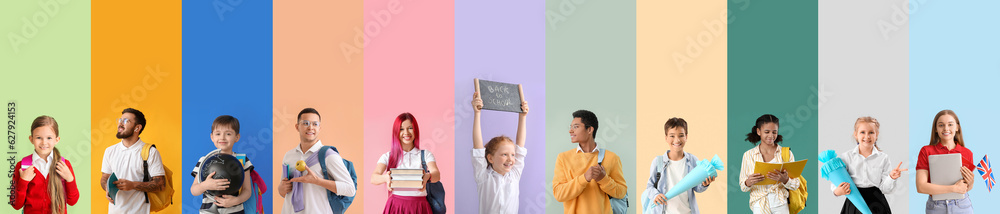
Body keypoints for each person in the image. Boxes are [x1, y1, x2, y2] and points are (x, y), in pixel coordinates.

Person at [279, 108, 357, 214]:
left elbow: (350, 189)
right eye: (305, 123)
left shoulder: (329, 155)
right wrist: (281, 188)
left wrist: (317, 181)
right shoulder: (289, 156)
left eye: (315, 124)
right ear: (297, 127)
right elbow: (283, 191)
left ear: (319, 128)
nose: (310, 127)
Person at [552, 110, 628, 213]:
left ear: (589, 130)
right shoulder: (563, 158)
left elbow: (621, 192)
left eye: (576, 127)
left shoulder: (612, 158)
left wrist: (604, 179)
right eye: (570, 127)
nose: (570, 131)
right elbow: (558, 194)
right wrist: (584, 178)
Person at [830, 117, 905, 214]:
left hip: (877, 204)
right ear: (855, 134)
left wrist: (891, 177)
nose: (867, 136)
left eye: (871, 132)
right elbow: (836, 181)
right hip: (854, 202)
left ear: (876, 135)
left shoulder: (883, 158)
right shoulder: (846, 157)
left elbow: (885, 189)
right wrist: (837, 191)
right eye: (862, 132)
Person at [470, 92, 529, 213]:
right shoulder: (483, 176)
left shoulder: (514, 175)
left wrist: (523, 116)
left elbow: (520, 146)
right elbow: (478, 148)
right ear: (490, 158)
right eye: (504, 154)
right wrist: (477, 113)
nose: (510, 159)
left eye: (512, 155)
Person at [370, 112, 441, 214]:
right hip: (395, 206)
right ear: (396, 132)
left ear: (415, 130)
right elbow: (373, 178)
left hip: (420, 207)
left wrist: (427, 177)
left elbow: (437, 175)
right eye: (401, 129)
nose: (406, 132)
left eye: (410, 128)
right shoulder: (388, 156)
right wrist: (385, 178)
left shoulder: (426, 155)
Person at [100, 108, 167, 214]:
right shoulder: (110, 151)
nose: (120, 124)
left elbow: (160, 184)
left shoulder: (150, 152)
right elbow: (104, 177)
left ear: (137, 128)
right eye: (120, 120)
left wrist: (133, 185)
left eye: (126, 121)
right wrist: (107, 189)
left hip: (139, 211)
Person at [644, 117, 715, 214]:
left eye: (681, 135)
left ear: (686, 137)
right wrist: (655, 195)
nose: (677, 140)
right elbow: (650, 186)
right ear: (666, 138)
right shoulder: (658, 162)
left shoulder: (693, 160)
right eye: (672, 136)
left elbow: (697, 188)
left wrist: (704, 184)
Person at [11, 115, 80, 214]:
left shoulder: (64, 165)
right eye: (38, 137)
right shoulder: (22, 166)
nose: (44, 142)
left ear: (57, 140)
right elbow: (16, 205)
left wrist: (70, 179)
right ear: (31, 139)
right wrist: (23, 181)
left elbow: (72, 201)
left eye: (49, 138)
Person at [189, 115, 255, 213]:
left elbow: (247, 191)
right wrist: (205, 185)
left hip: (235, 211)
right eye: (218, 134)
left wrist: (235, 201)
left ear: (237, 137)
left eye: (228, 134)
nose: (222, 138)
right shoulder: (204, 160)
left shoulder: (242, 159)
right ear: (212, 137)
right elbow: (194, 190)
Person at [915, 110, 975, 213]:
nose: (946, 128)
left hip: (962, 205)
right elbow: (921, 187)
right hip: (936, 207)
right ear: (936, 129)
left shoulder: (967, 153)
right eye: (941, 125)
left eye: (950, 124)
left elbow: (965, 187)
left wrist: (971, 182)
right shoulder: (926, 151)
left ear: (957, 127)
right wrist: (953, 188)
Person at [738, 114, 800, 214]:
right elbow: (743, 186)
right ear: (758, 131)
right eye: (767, 132)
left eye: (774, 132)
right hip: (759, 204)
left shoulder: (786, 154)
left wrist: (785, 180)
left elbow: (796, 184)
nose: (771, 136)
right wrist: (748, 182)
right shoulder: (748, 155)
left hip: (780, 204)